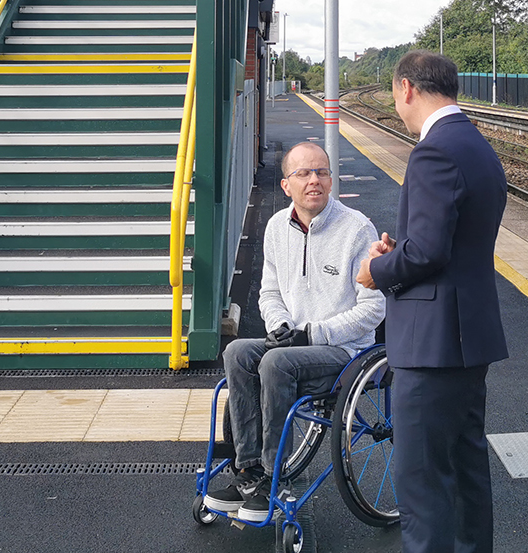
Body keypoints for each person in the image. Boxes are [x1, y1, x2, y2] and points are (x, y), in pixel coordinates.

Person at [357, 50, 508, 553]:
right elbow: (450, 244)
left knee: (422, 485)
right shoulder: (476, 145)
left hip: (432, 345)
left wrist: (377, 270)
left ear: (407, 88)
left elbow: (427, 251)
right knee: (464, 476)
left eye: (394, 94)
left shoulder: (433, 152)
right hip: (468, 338)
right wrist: (401, 250)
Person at [205, 141, 386, 523]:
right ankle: (249, 471)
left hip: (344, 350)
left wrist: (311, 334)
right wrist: (281, 327)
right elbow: (270, 292)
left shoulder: (356, 229)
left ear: (331, 181)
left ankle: (275, 477)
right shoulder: (276, 227)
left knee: (276, 364)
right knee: (237, 352)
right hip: (294, 341)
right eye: (303, 173)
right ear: (286, 185)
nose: (313, 180)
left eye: (321, 172)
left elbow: (373, 309)